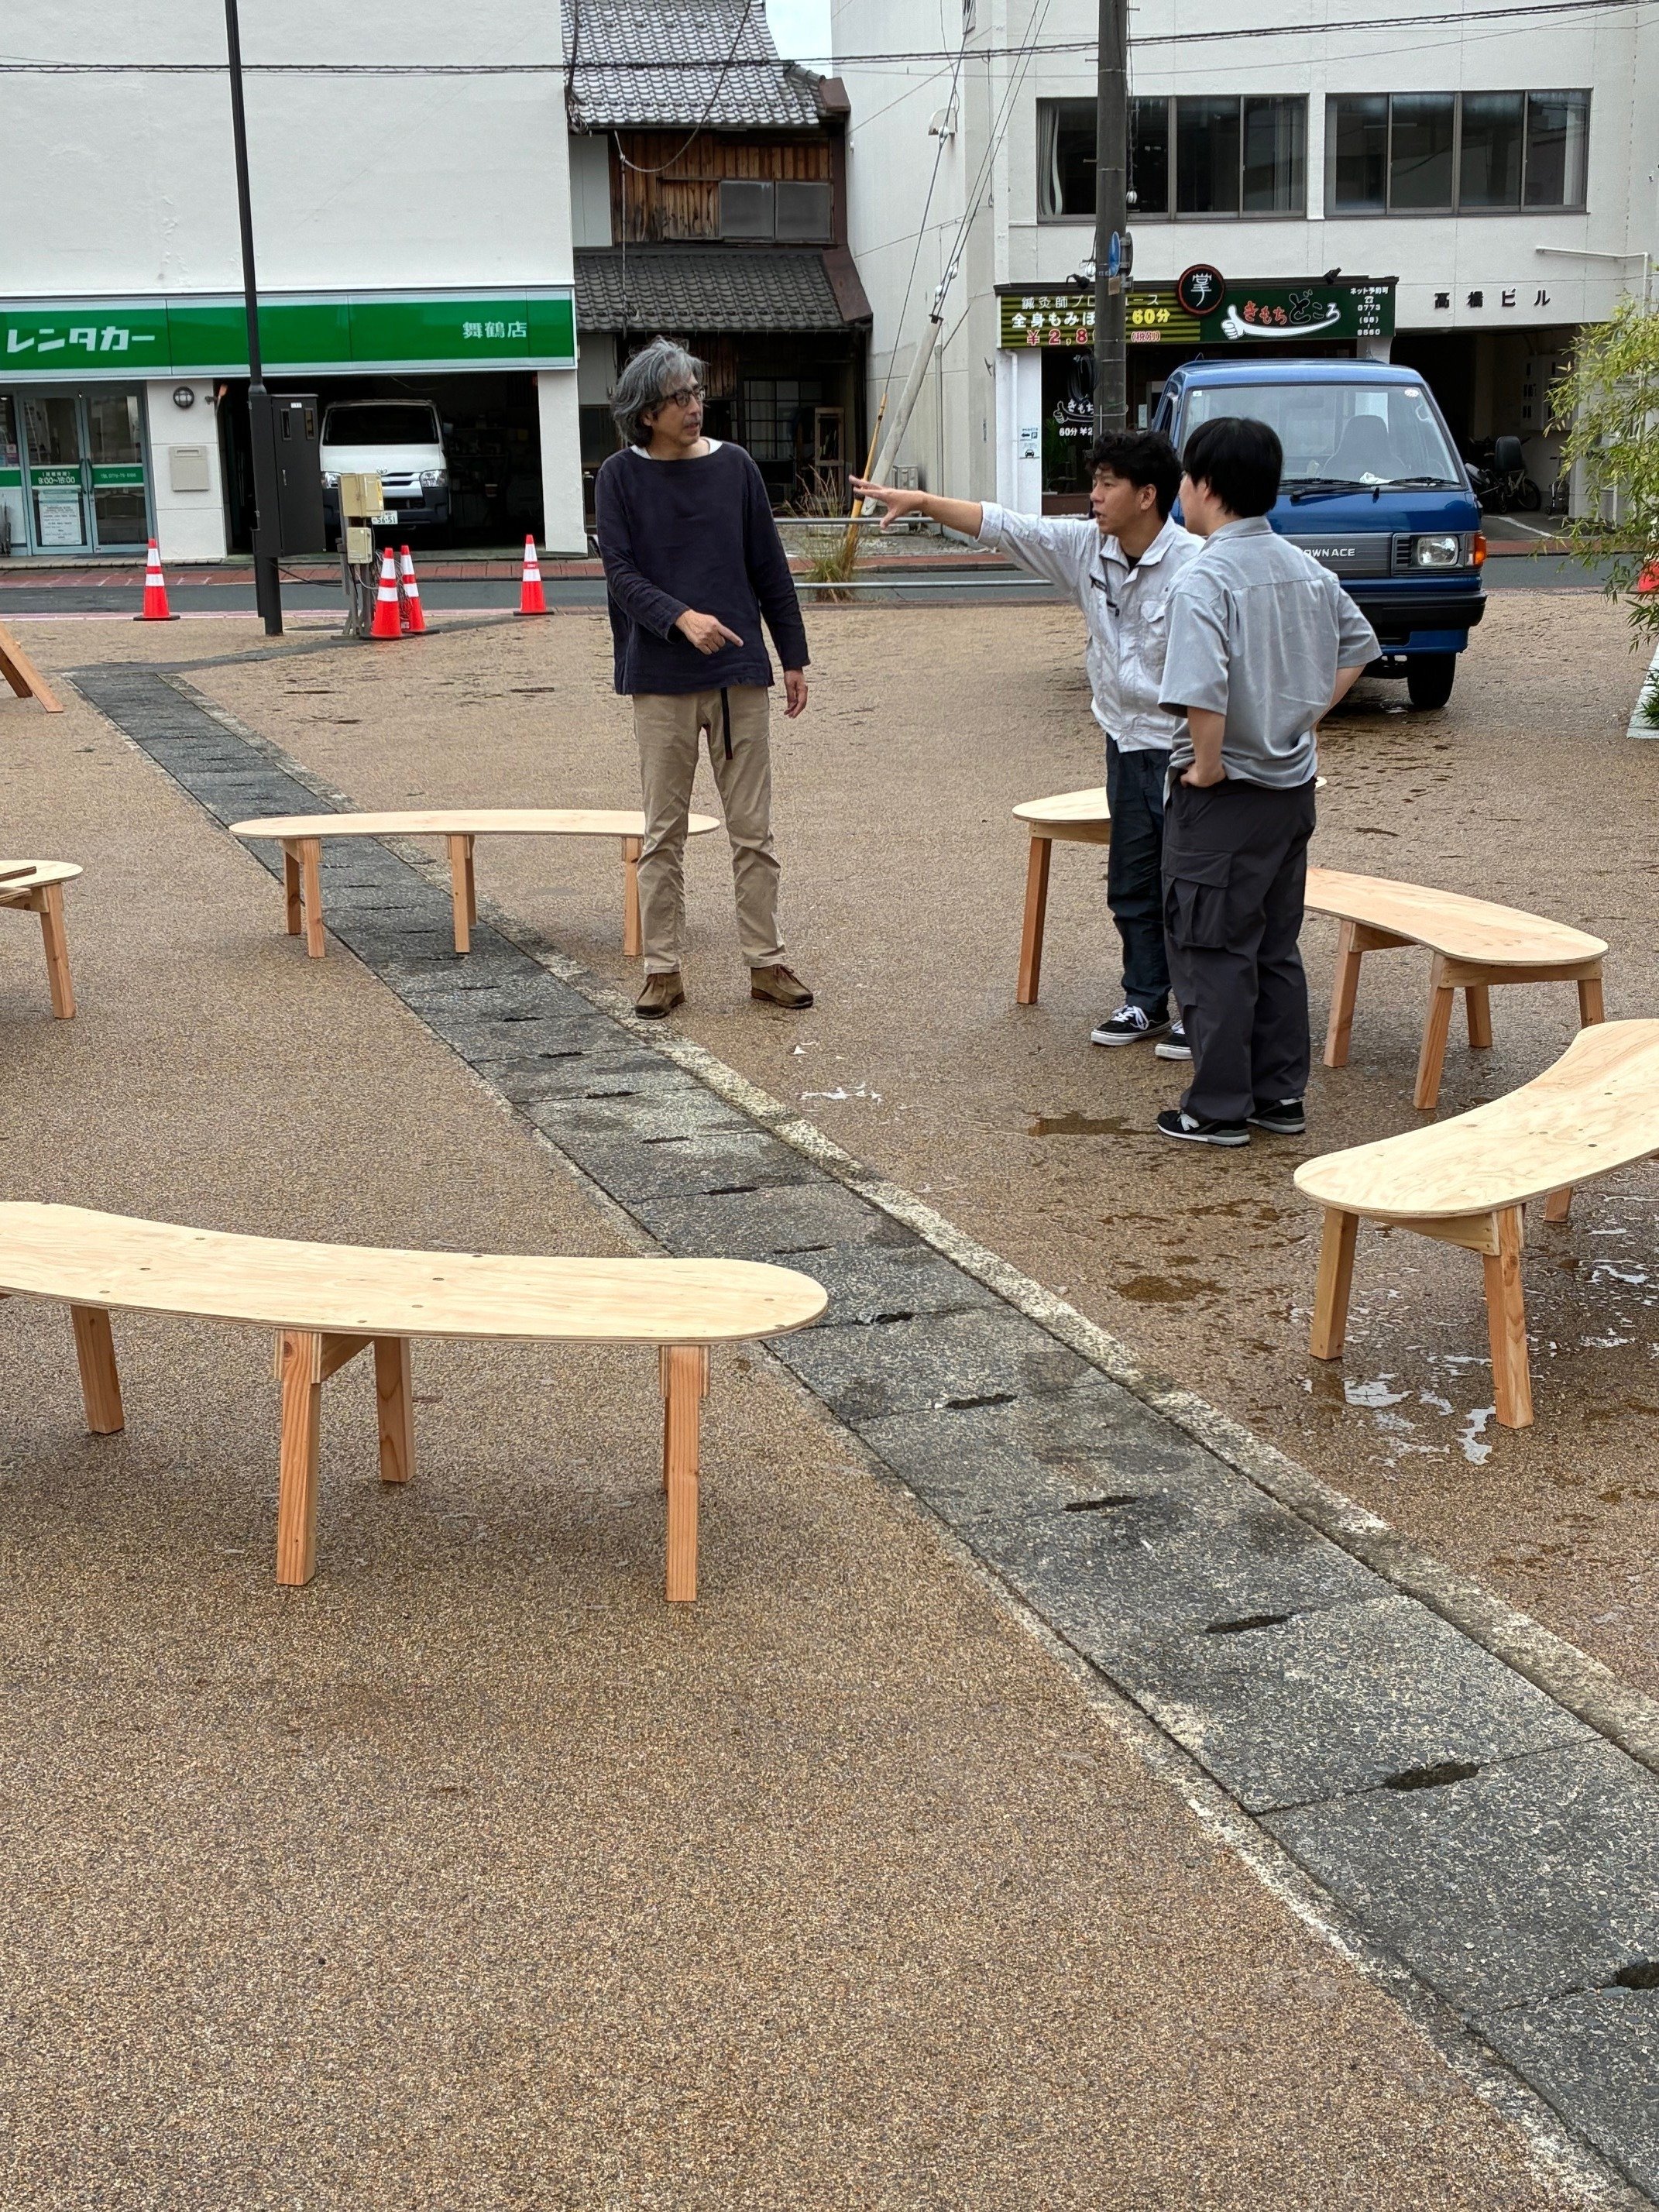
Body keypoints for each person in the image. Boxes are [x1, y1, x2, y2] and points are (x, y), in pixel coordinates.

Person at [852, 432, 1199, 1056]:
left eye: (1107, 484)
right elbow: (1005, 527)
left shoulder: (1197, 564)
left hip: (1183, 747)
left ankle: (1201, 1012)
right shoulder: (1087, 547)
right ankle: (1146, 1000)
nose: (1092, 496)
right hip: (1123, 743)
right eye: (1093, 482)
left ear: (1148, 495)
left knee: (1190, 886)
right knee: (1131, 880)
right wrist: (927, 502)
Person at [1154, 417, 1379, 1147]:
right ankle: (1280, 1098)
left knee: (1213, 950)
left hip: (1228, 793)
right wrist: (1304, 716)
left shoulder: (1206, 577)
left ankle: (1216, 1108)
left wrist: (1207, 765)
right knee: (1274, 947)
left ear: (1207, 486)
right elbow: (1359, 646)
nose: (1182, 493)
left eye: (1186, 480)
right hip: (1290, 788)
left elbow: (1202, 688)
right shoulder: (1307, 571)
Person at [595, 336, 813, 1020]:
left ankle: (767, 963)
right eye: (679, 398)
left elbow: (768, 567)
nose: (695, 407)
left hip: (738, 671)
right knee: (663, 832)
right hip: (658, 675)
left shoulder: (737, 467)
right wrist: (681, 618)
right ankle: (663, 969)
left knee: (754, 830)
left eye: (696, 393)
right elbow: (620, 575)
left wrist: (794, 657)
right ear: (645, 411)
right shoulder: (618, 476)